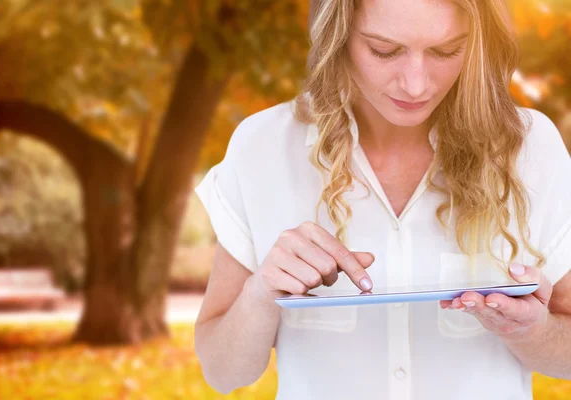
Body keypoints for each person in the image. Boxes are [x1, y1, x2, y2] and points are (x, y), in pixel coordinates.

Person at [193, 0, 571, 399]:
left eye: (445, 51)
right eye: (384, 50)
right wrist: (262, 291)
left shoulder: (531, 149)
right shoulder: (263, 146)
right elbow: (221, 371)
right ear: (336, 37)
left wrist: (534, 331)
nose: (416, 84)